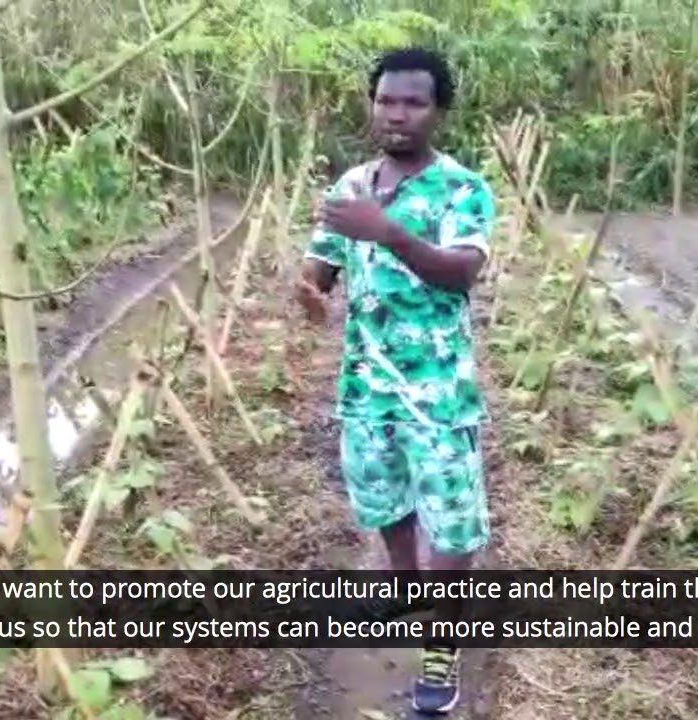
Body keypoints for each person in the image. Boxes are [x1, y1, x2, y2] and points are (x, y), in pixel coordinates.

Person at [294, 47, 496, 716]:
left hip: (437, 392)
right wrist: (308, 294)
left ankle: (442, 648)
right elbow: (319, 270)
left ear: (438, 111)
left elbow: (460, 272)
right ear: (371, 104)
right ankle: (406, 585)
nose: (397, 114)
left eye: (413, 102)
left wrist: (388, 234)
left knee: (455, 523)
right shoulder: (351, 187)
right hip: (366, 388)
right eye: (386, 100)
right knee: (384, 503)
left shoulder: (463, 189)